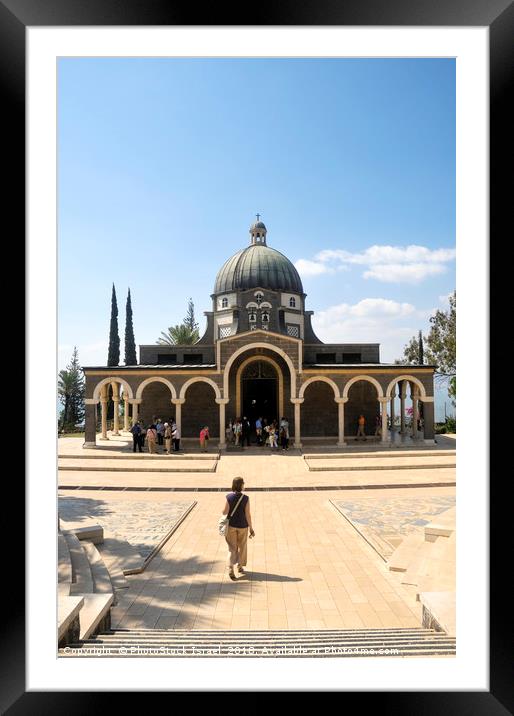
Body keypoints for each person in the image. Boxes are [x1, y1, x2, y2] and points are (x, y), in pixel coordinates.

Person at [222, 476, 255, 580]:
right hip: (243, 526)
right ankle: (240, 566)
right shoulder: (245, 498)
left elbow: (224, 512)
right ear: (241, 485)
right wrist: (251, 528)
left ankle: (230, 568)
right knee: (242, 546)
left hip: (231, 526)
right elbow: (248, 514)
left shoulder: (229, 497)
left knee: (232, 548)